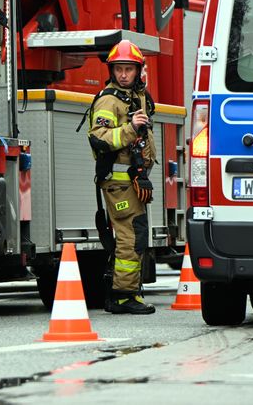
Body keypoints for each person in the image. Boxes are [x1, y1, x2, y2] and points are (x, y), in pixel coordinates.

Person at [87, 39, 156, 314]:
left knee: (136, 233)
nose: (124, 74)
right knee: (129, 235)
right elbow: (99, 139)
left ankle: (129, 291)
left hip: (132, 180)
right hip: (118, 183)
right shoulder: (108, 100)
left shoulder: (136, 96)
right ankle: (122, 296)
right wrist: (130, 128)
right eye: (119, 69)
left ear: (138, 71)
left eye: (129, 69)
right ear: (111, 71)